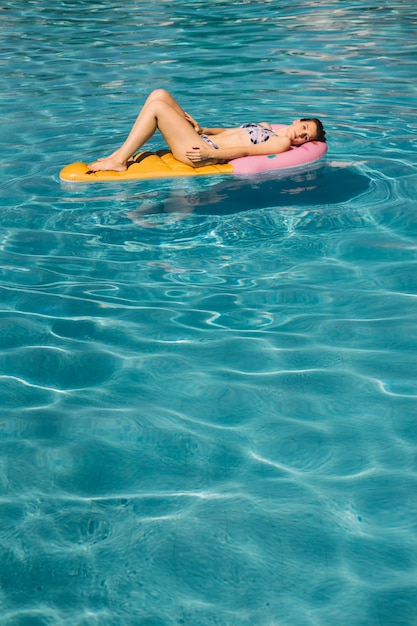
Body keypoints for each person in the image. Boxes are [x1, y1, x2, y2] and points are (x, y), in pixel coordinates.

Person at [88, 89, 326, 172]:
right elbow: (232, 131)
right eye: (304, 128)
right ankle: (116, 155)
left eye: (307, 137)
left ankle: (118, 161)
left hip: (203, 153)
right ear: (296, 121)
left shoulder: (281, 144)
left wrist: (210, 156)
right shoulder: (266, 127)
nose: (302, 136)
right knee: (159, 94)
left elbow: (243, 150)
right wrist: (203, 128)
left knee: (158, 108)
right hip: (203, 139)